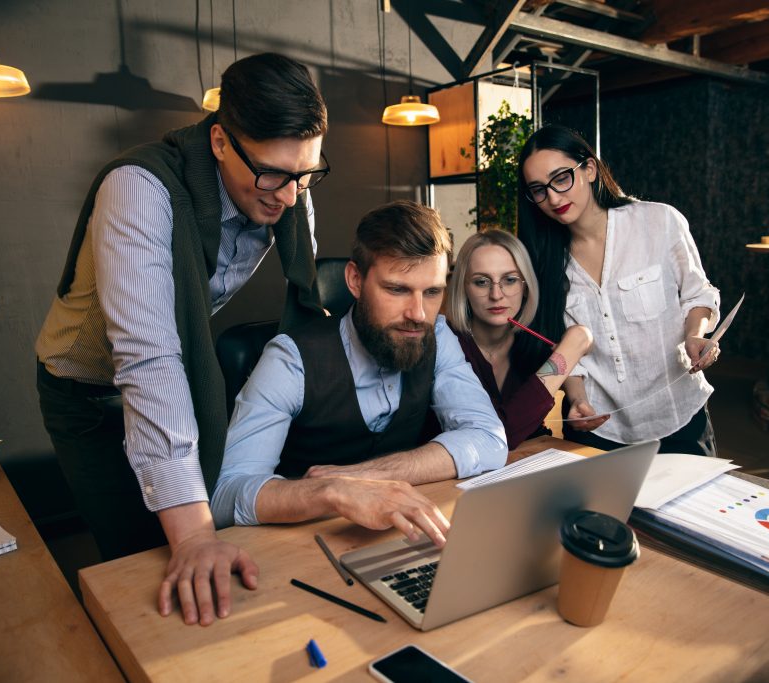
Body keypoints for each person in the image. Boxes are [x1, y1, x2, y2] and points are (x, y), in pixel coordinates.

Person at [34, 53, 329, 626]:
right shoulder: (138, 189)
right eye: (271, 173)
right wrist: (194, 535)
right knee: (138, 565)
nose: (289, 197)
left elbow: (305, 302)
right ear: (220, 141)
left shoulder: (288, 186)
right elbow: (149, 360)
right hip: (85, 394)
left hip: (173, 375)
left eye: (307, 174)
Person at [212, 200, 508, 543]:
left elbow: (488, 438)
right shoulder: (290, 358)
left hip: (399, 539)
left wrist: (362, 476)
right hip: (299, 550)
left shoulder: (437, 334)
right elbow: (225, 494)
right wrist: (330, 492)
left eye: (432, 292)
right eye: (397, 289)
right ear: (355, 279)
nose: (419, 314)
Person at [515, 124, 721, 456]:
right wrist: (578, 400)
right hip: (601, 429)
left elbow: (697, 293)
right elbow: (566, 347)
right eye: (538, 189)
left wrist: (695, 335)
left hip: (678, 416)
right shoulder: (545, 262)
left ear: (590, 169)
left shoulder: (659, 221)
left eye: (561, 178)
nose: (553, 197)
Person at [443, 229, 592, 450]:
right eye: (481, 282)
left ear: (525, 287)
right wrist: (574, 345)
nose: (496, 294)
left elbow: (569, 367)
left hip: (532, 461)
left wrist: (578, 400)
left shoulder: (533, 340)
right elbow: (499, 435)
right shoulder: (447, 343)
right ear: (464, 288)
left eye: (510, 280)